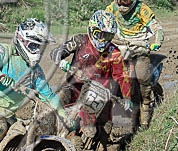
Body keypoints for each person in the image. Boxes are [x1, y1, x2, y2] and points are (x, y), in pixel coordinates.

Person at [0, 18, 71, 151]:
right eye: (33, 46)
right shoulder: (3, 51)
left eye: (39, 47)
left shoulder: (35, 72)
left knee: (27, 137)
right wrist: (0, 76)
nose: (37, 51)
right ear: (21, 39)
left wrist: (64, 116)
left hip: (11, 115)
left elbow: (49, 95)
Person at [50, 10, 132, 141]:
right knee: (55, 103)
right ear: (93, 29)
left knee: (103, 129)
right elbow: (56, 52)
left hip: (99, 93)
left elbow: (121, 76)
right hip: (73, 86)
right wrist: (60, 61)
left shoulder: (114, 52)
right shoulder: (80, 40)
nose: (104, 39)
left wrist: (127, 97)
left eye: (108, 36)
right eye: (101, 34)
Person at [105, 0, 164, 129]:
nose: (122, 3)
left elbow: (157, 28)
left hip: (139, 45)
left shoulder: (142, 9)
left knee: (142, 77)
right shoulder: (111, 8)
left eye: (126, 0)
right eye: (119, 0)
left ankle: (145, 110)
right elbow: (102, 21)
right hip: (120, 43)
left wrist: (156, 42)